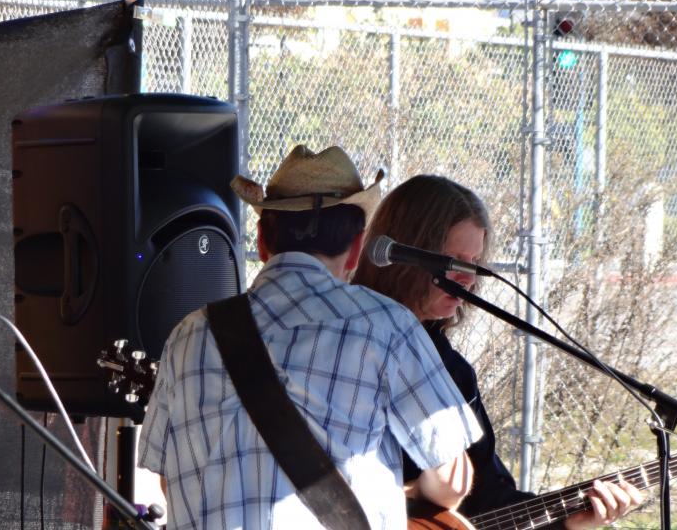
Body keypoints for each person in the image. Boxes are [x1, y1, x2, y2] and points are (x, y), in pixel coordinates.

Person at [137, 147, 483, 530]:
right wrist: (413, 493)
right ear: (356, 249)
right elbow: (451, 482)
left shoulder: (187, 336)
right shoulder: (387, 327)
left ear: (262, 241)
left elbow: (166, 479)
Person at [352, 174, 644, 530]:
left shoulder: (452, 371)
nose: (468, 278)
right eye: (453, 260)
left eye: (474, 262)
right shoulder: (343, 337)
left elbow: (489, 499)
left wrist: (570, 520)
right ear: (405, 254)